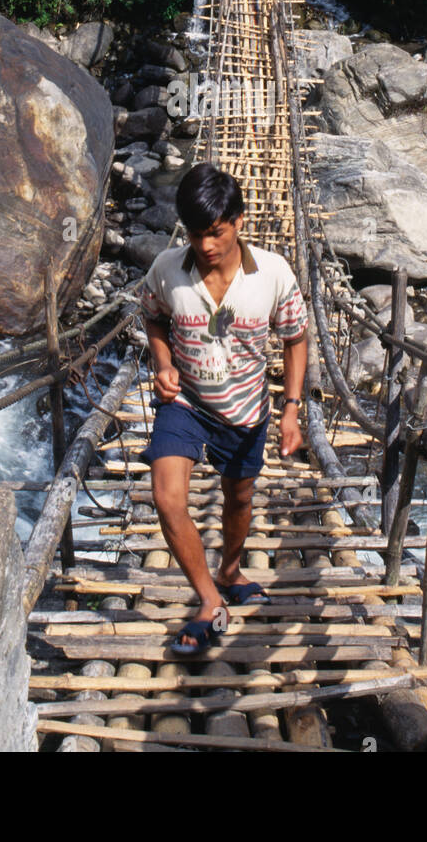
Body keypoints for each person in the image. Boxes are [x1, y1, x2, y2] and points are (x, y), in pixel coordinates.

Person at [137, 163, 308, 656]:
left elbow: (296, 338)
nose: (206, 245)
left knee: (238, 498)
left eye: (216, 232)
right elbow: (151, 317)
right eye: (195, 234)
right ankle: (210, 601)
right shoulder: (168, 268)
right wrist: (163, 362)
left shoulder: (273, 274)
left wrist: (291, 410)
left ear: (238, 220)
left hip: (245, 409)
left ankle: (230, 570)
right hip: (185, 403)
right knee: (167, 498)